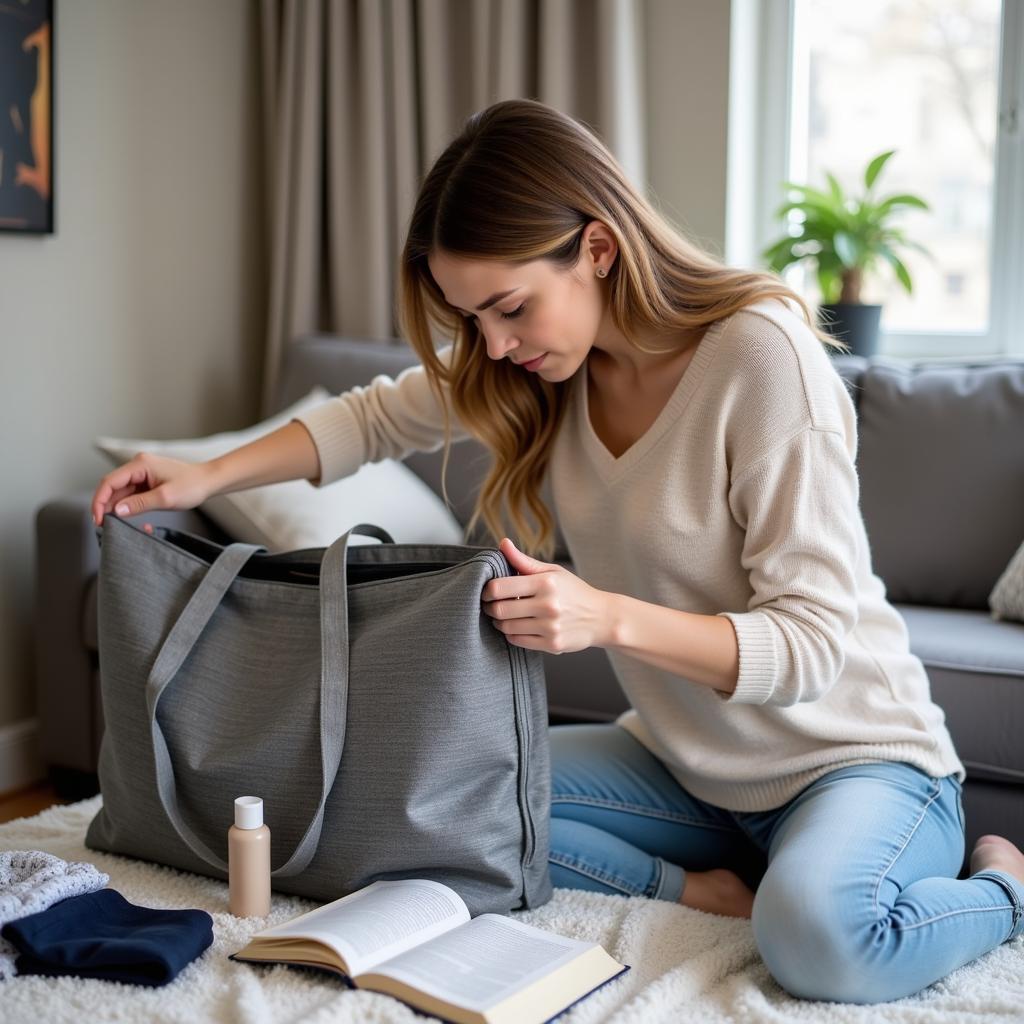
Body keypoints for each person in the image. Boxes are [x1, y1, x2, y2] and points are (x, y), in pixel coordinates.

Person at [91, 98, 1024, 1005]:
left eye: (509, 308)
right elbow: (374, 417)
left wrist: (602, 615)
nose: (492, 347)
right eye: (473, 322)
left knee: (819, 940)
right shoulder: (545, 372)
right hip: (682, 766)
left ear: (598, 248)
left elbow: (814, 646)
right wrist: (205, 475)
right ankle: (704, 891)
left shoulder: (759, 359)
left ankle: (1004, 885)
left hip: (855, 760)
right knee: (422, 799)